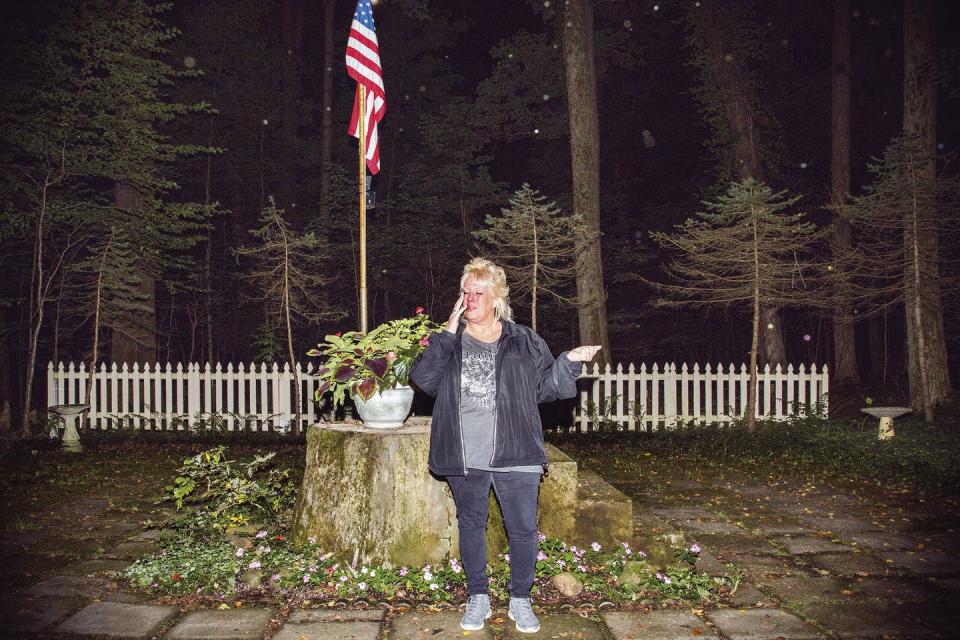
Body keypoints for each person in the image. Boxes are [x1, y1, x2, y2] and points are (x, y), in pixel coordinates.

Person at [411, 257, 601, 634]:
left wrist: (569, 361)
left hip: (517, 448)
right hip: (467, 453)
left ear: (496, 298)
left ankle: (520, 599)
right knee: (471, 524)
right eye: (466, 291)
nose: (470, 298)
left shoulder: (524, 339)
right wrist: (447, 334)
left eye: (478, 291)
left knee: (524, 529)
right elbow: (425, 381)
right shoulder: (451, 342)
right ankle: (478, 596)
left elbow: (546, 387)